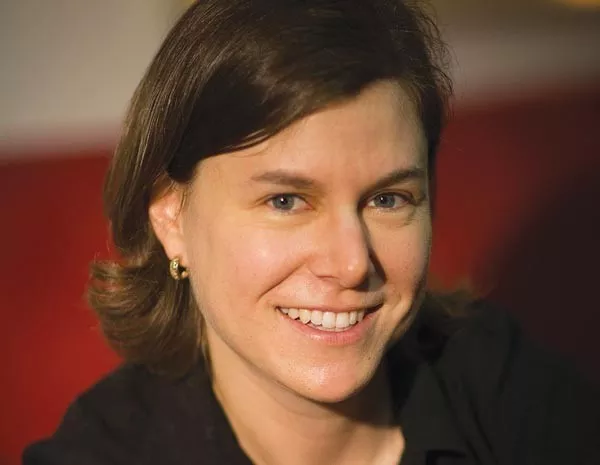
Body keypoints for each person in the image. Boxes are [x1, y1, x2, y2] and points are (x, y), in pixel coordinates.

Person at [23, 1, 598, 464]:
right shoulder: (99, 453)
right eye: (286, 201)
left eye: (388, 199)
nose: (351, 264)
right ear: (172, 218)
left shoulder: (495, 378)